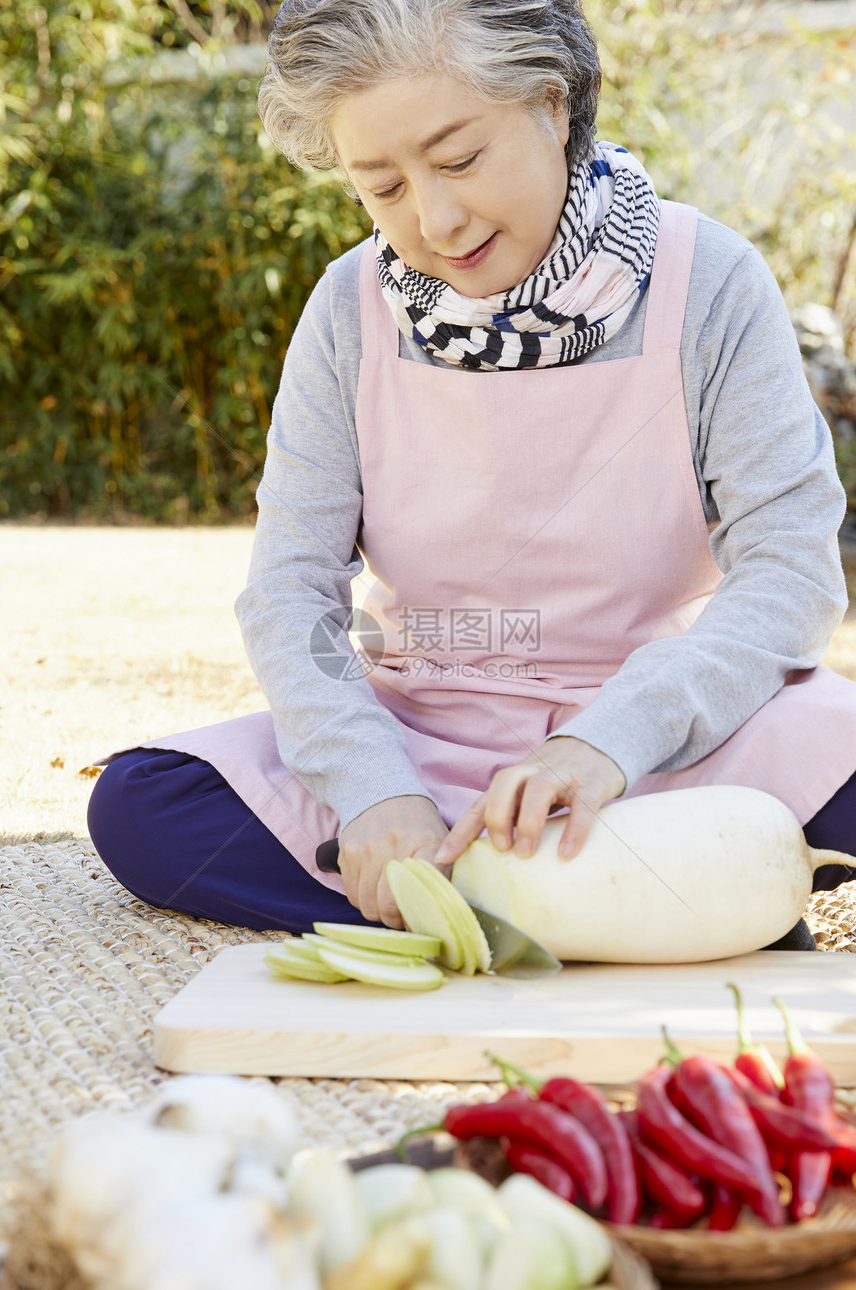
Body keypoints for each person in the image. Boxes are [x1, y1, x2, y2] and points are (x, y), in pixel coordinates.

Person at [88, 0, 856, 949]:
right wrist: (374, 790)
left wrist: (606, 742)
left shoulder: (713, 281)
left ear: (552, 103)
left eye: (458, 160)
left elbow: (790, 573)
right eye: (383, 186)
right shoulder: (346, 311)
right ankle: (616, 907)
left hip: (670, 734)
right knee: (142, 806)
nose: (436, 219)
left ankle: (474, 907)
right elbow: (291, 589)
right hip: (430, 739)